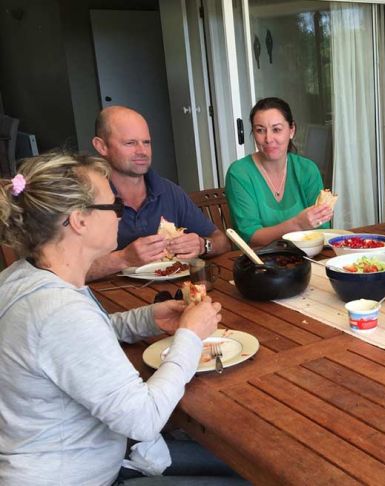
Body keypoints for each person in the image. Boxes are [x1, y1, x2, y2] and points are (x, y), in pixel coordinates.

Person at [0, 153, 240, 484]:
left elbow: (77, 344)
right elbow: (144, 419)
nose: (121, 215)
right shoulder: (57, 311)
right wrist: (190, 335)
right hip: (77, 475)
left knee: (233, 462)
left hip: (78, 455)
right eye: (113, 207)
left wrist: (147, 319)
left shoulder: (25, 276)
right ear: (79, 220)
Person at [87, 106, 231, 281]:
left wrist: (203, 245)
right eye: (130, 143)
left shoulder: (169, 191)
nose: (142, 151)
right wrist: (123, 258)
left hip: (173, 296)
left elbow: (222, 242)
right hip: (109, 302)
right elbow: (60, 272)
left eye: (146, 142)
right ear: (101, 146)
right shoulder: (85, 198)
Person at [225, 97, 333, 246]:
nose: (268, 139)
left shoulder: (307, 170)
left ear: (291, 130)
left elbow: (322, 227)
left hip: (310, 255)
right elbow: (249, 236)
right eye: (260, 130)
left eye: (276, 129)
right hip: (260, 262)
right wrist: (297, 224)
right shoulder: (239, 173)